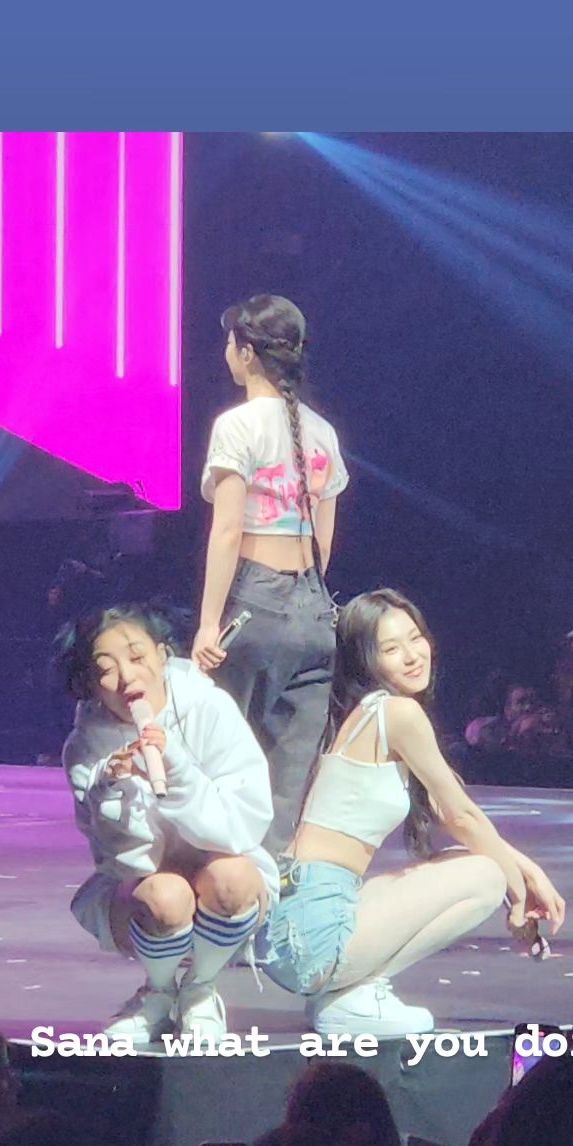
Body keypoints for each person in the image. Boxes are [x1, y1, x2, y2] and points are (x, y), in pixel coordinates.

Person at [259, 588, 565, 1039]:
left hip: (298, 919)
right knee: (485, 876)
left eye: (415, 638)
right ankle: (353, 995)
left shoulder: (368, 713)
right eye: (390, 648)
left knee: (475, 862)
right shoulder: (397, 713)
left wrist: (524, 872)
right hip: (313, 930)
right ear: (367, 660)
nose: (411, 655)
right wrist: (522, 891)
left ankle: (346, 994)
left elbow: (455, 814)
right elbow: (461, 816)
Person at [59, 603, 278, 1046]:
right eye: (106, 670)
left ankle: (201, 989)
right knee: (165, 897)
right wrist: (113, 789)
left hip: (223, 863)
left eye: (137, 657)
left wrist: (176, 772)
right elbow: (126, 862)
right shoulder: (86, 747)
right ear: (90, 684)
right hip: (143, 882)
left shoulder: (210, 708)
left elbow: (241, 827)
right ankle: (157, 993)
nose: (127, 678)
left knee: (232, 879)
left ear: (162, 655)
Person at [192, 295, 348, 856]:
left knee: (222, 756)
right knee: (290, 777)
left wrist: (209, 623)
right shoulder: (322, 431)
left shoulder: (236, 425)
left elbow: (227, 531)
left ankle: (221, 888)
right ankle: (274, 886)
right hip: (313, 608)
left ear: (248, 352)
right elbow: (324, 539)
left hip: (253, 601)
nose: (226, 353)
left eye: (231, 343)